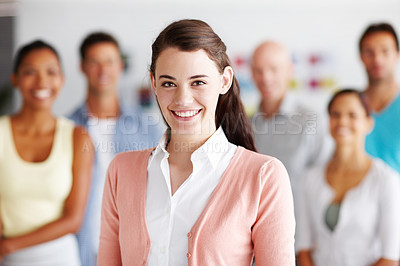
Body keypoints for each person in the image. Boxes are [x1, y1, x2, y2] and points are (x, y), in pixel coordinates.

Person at [97, 19, 295, 265]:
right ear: (153, 84)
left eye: (198, 82)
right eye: (169, 83)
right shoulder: (121, 171)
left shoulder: (264, 176)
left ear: (224, 81)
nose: (183, 99)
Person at [69, 32, 161, 266]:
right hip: (81, 249)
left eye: (109, 61)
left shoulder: (146, 126)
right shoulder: (66, 128)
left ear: (120, 65)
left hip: (136, 249)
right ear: (82, 67)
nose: (103, 70)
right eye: (94, 62)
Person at [0, 40, 94, 265]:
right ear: (15, 79)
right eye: (30, 72)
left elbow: (74, 220)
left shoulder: (78, 137)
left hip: (60, 257)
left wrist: (8, 246)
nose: (42, 81)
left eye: (51, 72)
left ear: (61, 79)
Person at [296, 89, 400, 266]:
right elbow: (303, 248)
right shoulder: (309, 179)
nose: (342, 121)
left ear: (368, 123)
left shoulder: (386, 180)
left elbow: (390, 257)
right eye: (335, 114)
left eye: (352, 115)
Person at [250, 41, 331, 194]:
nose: (265, 78)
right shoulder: (244, 125)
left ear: (289, 70)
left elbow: (325, 186)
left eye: (274, 69)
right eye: (258, 70)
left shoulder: (313, 122)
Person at [359, 23, 400, 173]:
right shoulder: (351, 107)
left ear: (396, 54)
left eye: (385, 51)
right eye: (369, 52)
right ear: (361, 57)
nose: (377, 59)